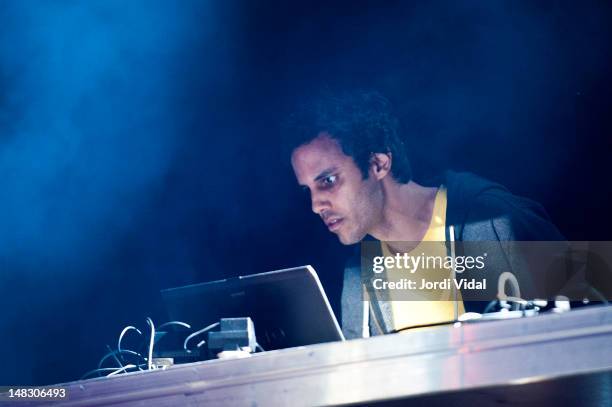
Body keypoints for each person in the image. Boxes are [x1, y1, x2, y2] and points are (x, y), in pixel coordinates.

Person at [287, 90, 565, 339]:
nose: (315, 205)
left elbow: (600, 326)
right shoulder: (357, 276)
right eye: (307, 189)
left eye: (328, 181)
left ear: (378, 164)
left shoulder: (496, 220)